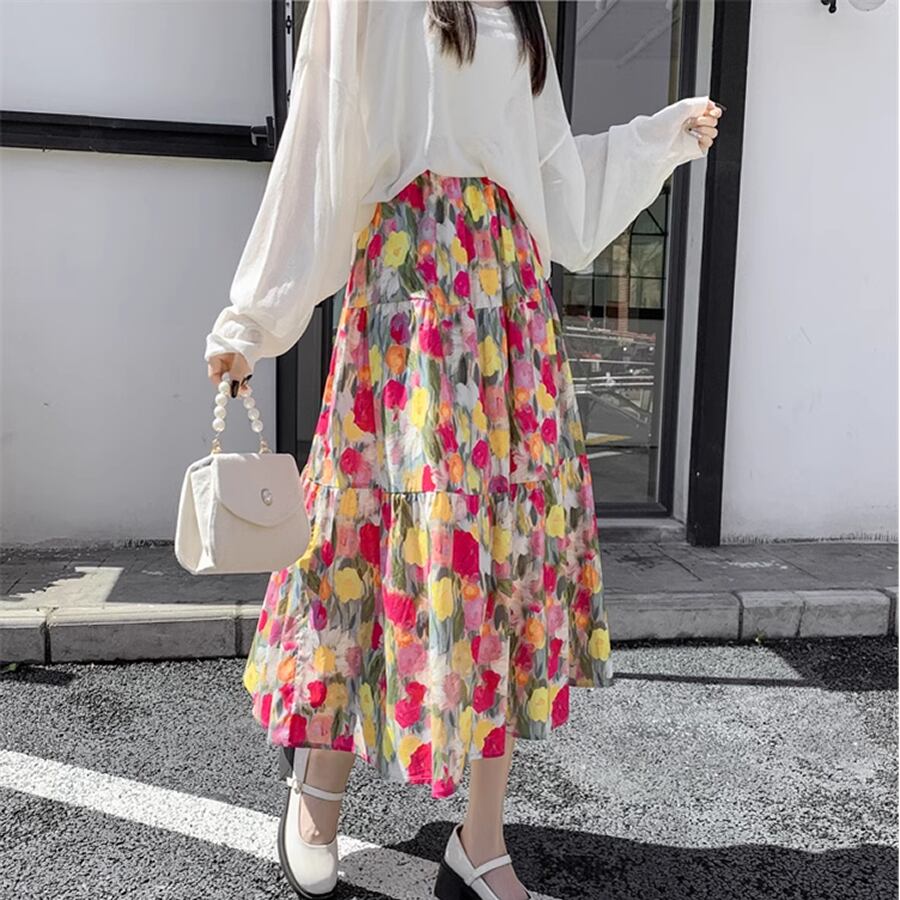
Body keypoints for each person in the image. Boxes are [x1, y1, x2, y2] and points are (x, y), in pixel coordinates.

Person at [205, 2, 722, 898]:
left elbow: (553, 181)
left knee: (501, 560)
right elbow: (319, 147)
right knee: (362, 537)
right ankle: (318, 784)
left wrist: (658, 139)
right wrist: (252, 319)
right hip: (406, 295)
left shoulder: (520, 9)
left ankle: (480, 840)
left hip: (508, 305)